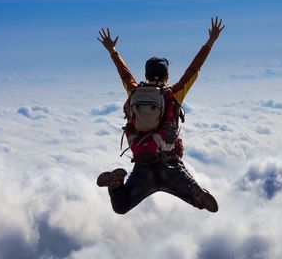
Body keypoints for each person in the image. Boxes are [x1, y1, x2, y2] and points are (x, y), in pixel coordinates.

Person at [96, 17, 225, 214]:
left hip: (143, 166)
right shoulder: (173, 93)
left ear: (147, 75)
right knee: (198, 201)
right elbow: (193, 69)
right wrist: (210, 41)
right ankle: (194, 190)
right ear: (166, 76)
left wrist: (112, 51)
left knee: (121, 206)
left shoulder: (134, 92)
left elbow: (125, 74)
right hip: (170, 164)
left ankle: (116, 184)